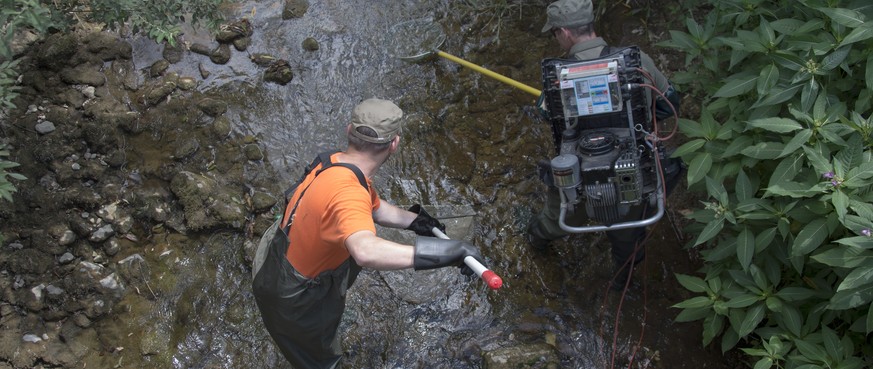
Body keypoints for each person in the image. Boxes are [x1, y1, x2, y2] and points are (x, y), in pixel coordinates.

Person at [252, 98, 483, 368]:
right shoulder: (349, 192)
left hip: (273, 259)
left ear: (350, 129)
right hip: (294, 297)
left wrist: (415, 221)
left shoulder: (334, 163)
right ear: (394, 144)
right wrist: (449, 253)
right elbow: (366, 251)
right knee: (319, 360)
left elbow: (372, 207)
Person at [527, 0, 684, 290]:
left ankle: (535, 245)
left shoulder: (556, 74)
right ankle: (621, 281)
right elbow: (668, 105)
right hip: (632, 173)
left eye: (554, 34)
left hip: (577, 178)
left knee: (555, 220)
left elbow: (545, 114)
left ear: (564, 32)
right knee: (628, 236)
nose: (556, 39)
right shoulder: (638, 61)